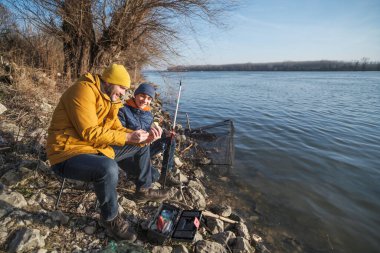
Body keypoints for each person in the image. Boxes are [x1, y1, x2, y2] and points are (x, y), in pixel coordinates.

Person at [46, 64, 170, 241]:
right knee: (108, 167)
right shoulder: (82, 90)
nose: (123, 93)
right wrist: (127, 138)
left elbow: (115, 127)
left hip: (92, 147)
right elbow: (89, 132)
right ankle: (110, 218)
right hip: (66, 153)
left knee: (142, 145)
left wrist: (142, 137)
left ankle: (144, 190)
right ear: (109, 81)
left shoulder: (110, 97)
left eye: (126, 90)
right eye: (122, 88)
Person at [118, 83, 181, 186]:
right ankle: (132, 174)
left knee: (170, 140)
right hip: (126, 154)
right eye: (142, 96)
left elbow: (151, 129)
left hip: (143, 150)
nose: (145, 100)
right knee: (153, 176)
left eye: (149, 98)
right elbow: (118, 135)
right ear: (135, 95)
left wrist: (165, 133)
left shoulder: (148, 114)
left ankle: (166, 175)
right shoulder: (123, 110)